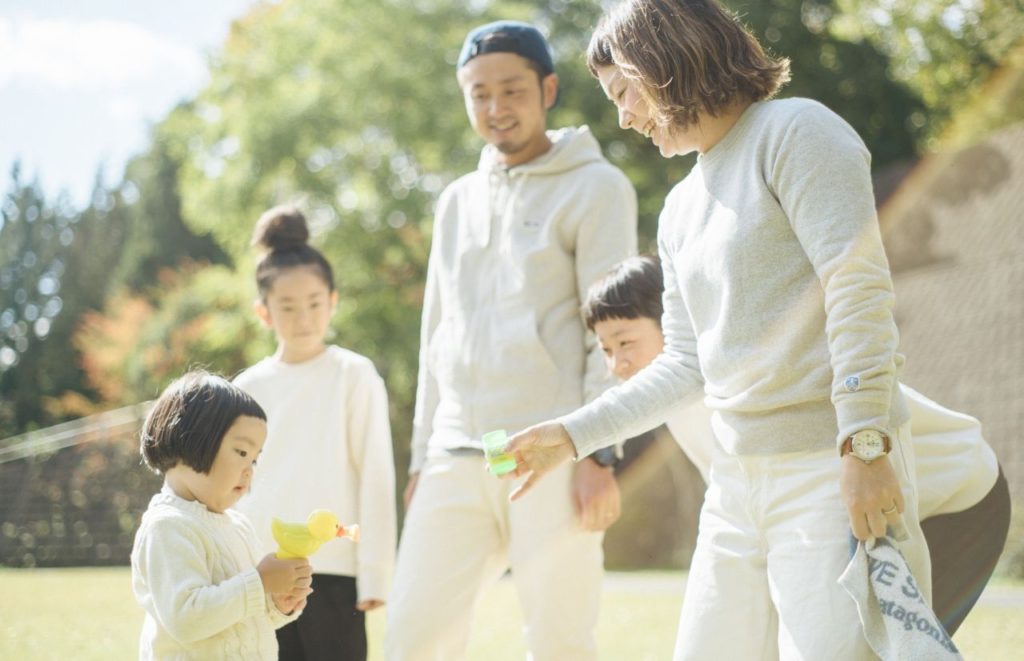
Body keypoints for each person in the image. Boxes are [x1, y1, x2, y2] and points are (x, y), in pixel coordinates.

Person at [506, 1, 934, 657]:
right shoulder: (680, 207)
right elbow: (684, 364)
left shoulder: (797, 132)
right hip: (735, 487)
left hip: (826, 468)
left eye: (623, 91)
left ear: (663, 60)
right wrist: (571, 433)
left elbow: (857, 288)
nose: (622, 116)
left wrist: (865, 442)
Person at [584, 254, 1011, 635]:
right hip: (881, 512)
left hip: (959, 499)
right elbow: (744, 514)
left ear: (674, 322)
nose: (616, 364)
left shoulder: (732, 383)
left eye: (626, 343)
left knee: (884, 646)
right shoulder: (677, 405)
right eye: (605, 349)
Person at [384, 20, 637, 661]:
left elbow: (610, 333)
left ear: (548, 89)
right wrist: (420, 458)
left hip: (551, 449)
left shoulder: (597, 186)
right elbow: (434, 334)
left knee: (559, 642)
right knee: (412, 637)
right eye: (479, 94)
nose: (496, 108)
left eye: (512, 90)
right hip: (457, 451)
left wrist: (599, 456)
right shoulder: (455, 202)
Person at [234, 205, 396, 661]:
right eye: (287, 306)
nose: (303, 317)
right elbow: (230, 484)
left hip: (336, 572)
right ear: (263, 312)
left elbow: (376, 475)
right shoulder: (244, 388)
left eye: (314, 303)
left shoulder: (353, 374)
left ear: (333, 300)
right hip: (260, 571)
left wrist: (376, 573)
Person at [131, 370, 313, 660]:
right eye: (241, 452)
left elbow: (244, 616)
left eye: (255, 458)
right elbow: (187, 618)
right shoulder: (168, 527)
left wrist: (278, 602)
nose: (250, 468)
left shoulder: (237, 526)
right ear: (193, 439)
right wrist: (260, 582)